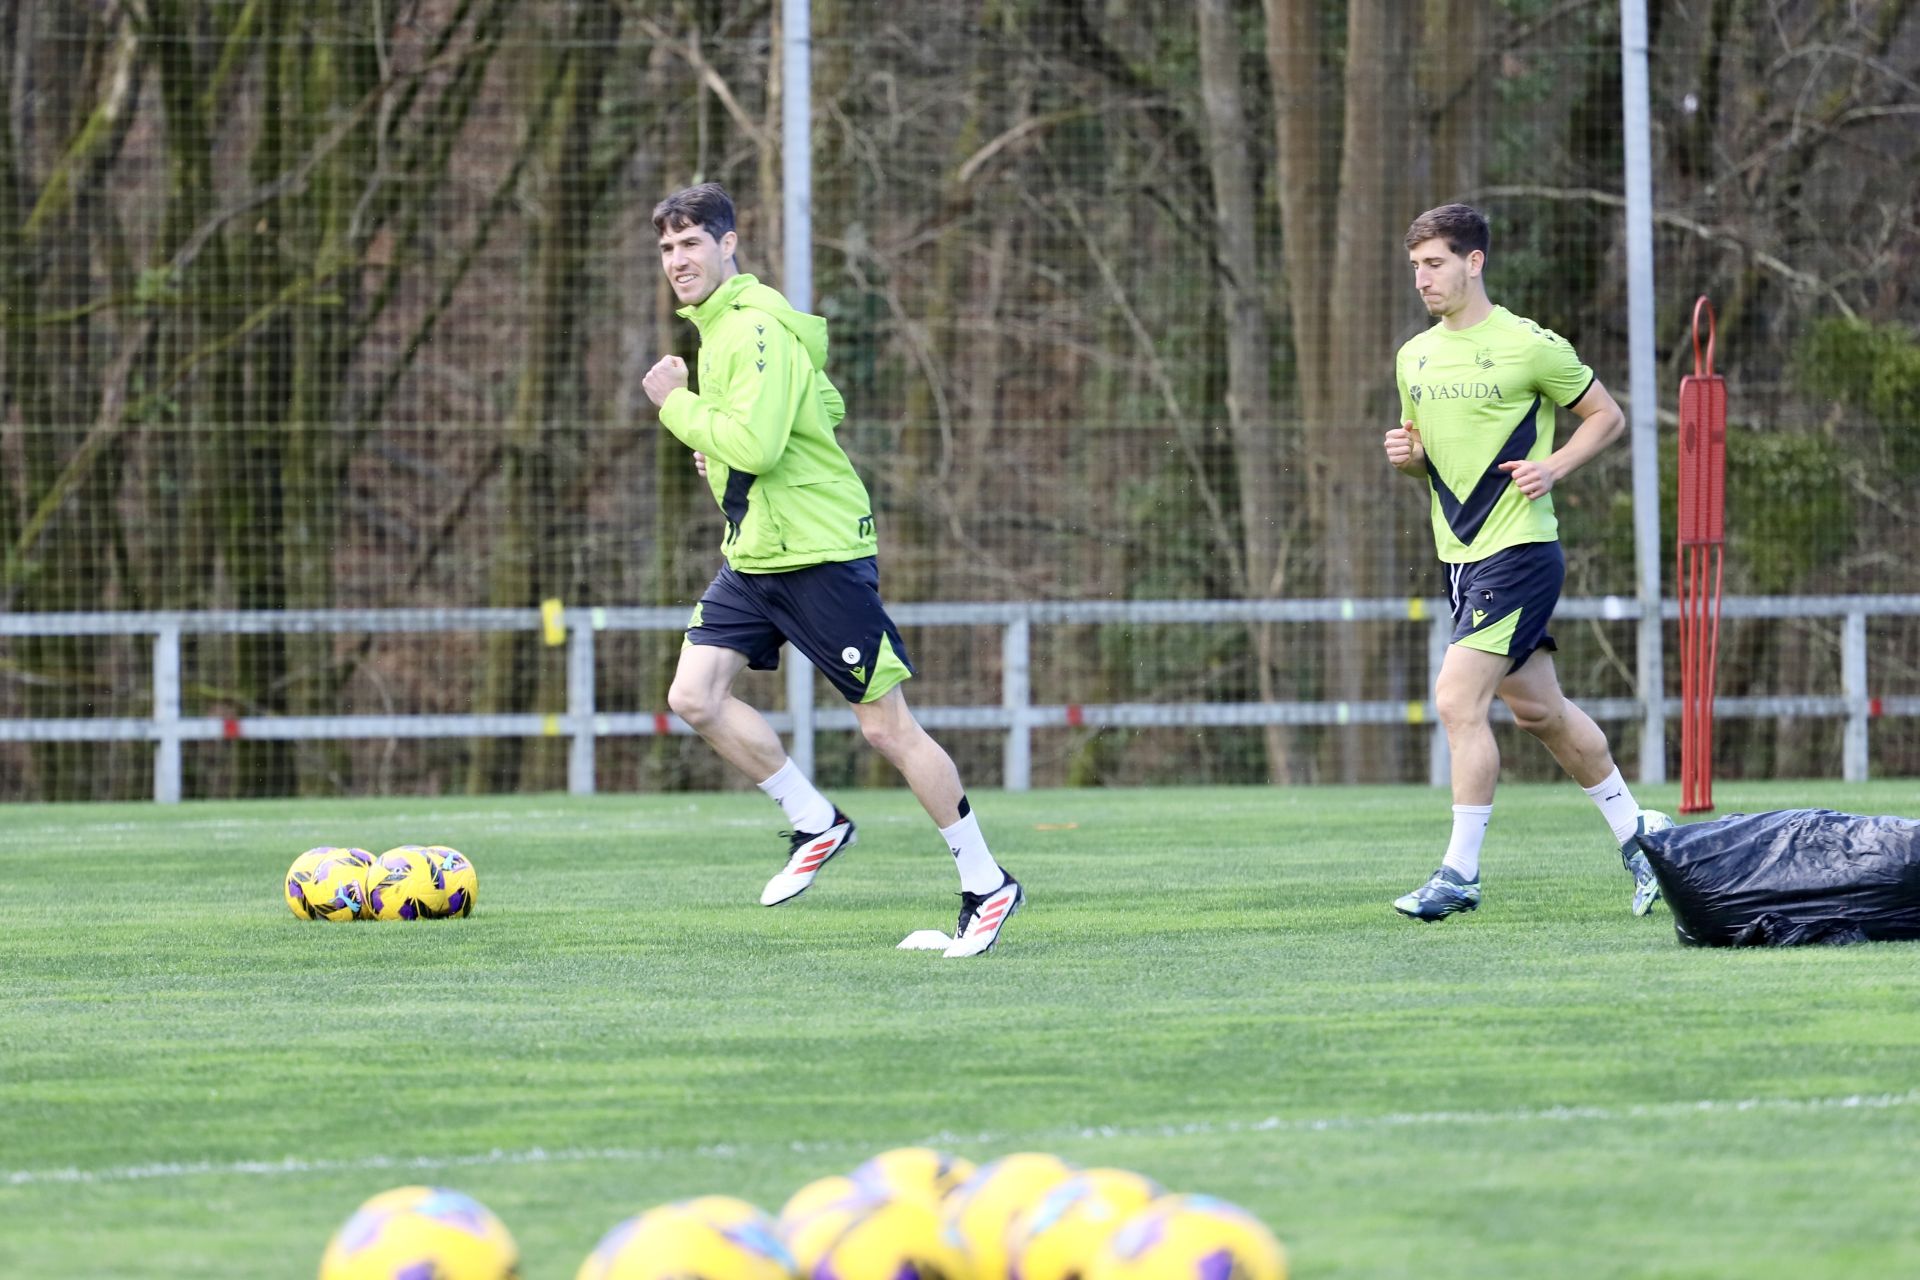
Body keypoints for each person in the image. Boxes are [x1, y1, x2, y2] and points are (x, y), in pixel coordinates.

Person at [640, 182, 1022, 957]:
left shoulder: (751, 327)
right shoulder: (725, 330)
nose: (678, 260)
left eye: (691, 243)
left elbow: (759, 446)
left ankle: (987, 885)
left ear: (728, 244)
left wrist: (680, 407)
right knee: (694, 696)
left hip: (818, 554)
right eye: (667, 247)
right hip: (756, 555)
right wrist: (719, 441)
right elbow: (826, 408)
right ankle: (816, 821)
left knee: (886, 728)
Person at [1385, 202, 1669, 921]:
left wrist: (1555, 466)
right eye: (1416, 266)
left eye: (1435, 263)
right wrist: (1410, 459)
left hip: (1520, 552)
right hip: (1461, 560)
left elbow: (1607, 416)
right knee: (1540, 711)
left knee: (1457, 701)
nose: (1422, 278)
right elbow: (1434, 466)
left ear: (1474, 262)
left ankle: (1459, 874)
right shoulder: (1414, 356)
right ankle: (1641, 838)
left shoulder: (1529, 345)